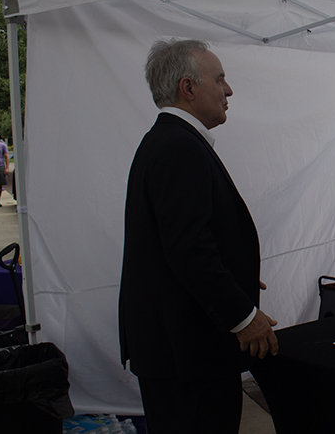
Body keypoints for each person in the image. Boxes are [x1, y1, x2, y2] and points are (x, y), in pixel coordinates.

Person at [119, 38, 278, 432]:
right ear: (187, 88)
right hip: (187, 353)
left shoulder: (169, 141)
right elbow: (189, 249)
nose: (228, 90)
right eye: (220, 79)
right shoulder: (178, 147)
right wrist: (244, 318)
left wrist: (236, 273)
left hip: (180, 348)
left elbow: (175, 241)